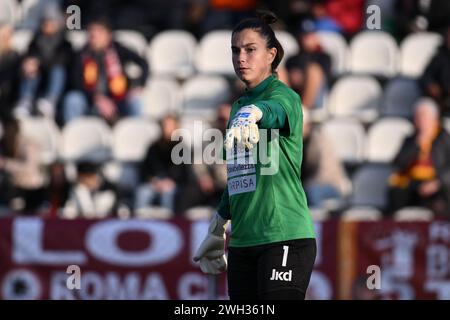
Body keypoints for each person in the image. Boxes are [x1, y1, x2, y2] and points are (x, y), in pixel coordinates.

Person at [193, 11, 316, 300]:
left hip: (284, 236)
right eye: (235, 50)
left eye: (250, 49)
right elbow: (240, 174)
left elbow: (276, 111)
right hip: (242, 243)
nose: (241, 58)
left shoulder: (284, 96)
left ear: (271, 54)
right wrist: (219, 222)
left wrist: (258, 111)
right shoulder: (238, 106)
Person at [62, 15, 149, 125]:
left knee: (135, 102)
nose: (94, 35)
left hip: (118, 99)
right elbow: (76, 82)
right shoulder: (81, 54)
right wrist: (97, 98)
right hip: (91, 101)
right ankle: (73, 134)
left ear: (108, 35)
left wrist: (139, 85)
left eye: (99, 31)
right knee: (73, 99)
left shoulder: (118, 49)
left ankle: (135, 134)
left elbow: (143, 63)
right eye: (91, 32)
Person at [387, 98, 450, 217]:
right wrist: (416, 144)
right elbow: (398, 164)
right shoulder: (410, 140)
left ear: (434, 119)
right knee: (396, 194)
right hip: (413, 184)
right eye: (418, 117)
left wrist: (437, 182)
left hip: (436, 183)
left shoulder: (444, 139)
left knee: (441, 202)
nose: (421, 121)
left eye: (424, 117)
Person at [14, 5, 73, 119]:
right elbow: (29, 56)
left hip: (57, 84)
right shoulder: (35, 42)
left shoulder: (65, 44)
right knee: (31, 69)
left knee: (58, 70)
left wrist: (39, 63)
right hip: (38, 79)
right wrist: (29, 63)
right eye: (45, 22)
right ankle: (26, 101)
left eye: (51, 22)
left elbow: (64, 61)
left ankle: (50, 101)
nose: (47, 25)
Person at [301, 108, 347, 208]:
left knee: (311, 192)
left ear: (307, 125)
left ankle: (314, 222)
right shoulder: (297, 142)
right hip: (310, 183)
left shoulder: (319, 139)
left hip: (331, 184)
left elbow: (324, 172)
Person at [420, 24, 450, 117]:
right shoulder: (440, 56)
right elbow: (426, 77)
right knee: (425, 107)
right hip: (442, 101)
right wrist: (431, 86)